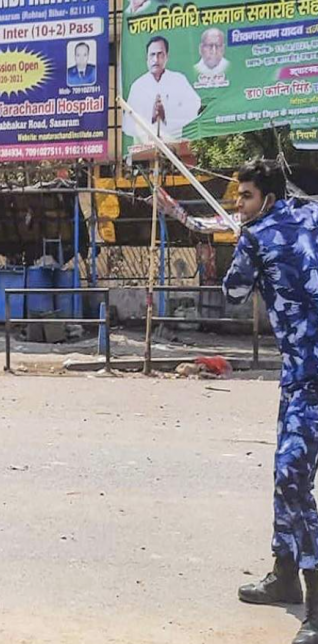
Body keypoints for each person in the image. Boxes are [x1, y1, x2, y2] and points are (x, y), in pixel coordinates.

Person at [223, 159, 318, 644]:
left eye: (245, 198)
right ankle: (283, 573)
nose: (239, 206)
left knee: (292, 478)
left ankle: (316, 604)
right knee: (287, 476)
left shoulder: (255, 238)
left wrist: (241, 243)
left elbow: (233, 290)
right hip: (299, 378)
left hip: (308, 377)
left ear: (269, 199)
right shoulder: (313, 216)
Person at [123, 35, 201, 143]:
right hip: (146, 148)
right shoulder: (138, 86)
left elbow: (195, 106)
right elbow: (128, 125)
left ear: (166, 57)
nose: (156, 59)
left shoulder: (179, 80)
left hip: (173, 145)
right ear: (147, 58)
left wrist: (167, 114)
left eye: (160, 54)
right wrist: (151, 116)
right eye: (152, 55)